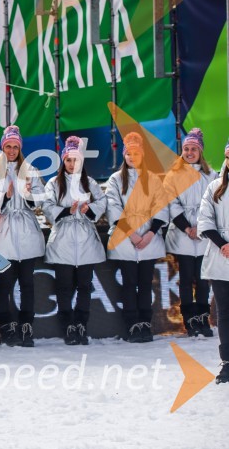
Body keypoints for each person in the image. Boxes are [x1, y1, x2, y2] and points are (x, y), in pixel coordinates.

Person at [0, 125, 45, 347]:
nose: (11, 150)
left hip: (26, 232)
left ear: (20, 148)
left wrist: (28, 196)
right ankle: (7, 328)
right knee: (5, 284)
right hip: (4, 234)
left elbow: (40, 199)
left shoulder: (31, 170)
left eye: (15, 146)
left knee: (28, 284)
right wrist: (6, 196)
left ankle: (27, 327)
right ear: (2, 146)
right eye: (8, 146)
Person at [42, 136, 107, 345]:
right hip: (63, 240)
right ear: (63, 161)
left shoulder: (90, 182)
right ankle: (67, 326)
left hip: (86, 240)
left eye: (76, 160)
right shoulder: (54, 183)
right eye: (68, 160)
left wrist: (91, 210)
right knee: (64, 287)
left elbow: (102, 200)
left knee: (85, 287)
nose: (72, 164)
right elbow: (47, 206)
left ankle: (81, 325)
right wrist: (65, 211)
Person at [106, 131, 169, 343]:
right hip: (126, 239)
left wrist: (150, 233)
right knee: (128, 283)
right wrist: (132, 235)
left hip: (148, 239)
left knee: (145, 284)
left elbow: (161, 207)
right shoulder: (115, 180)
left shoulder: (152, 179)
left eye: (136, 154)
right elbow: (113, 208)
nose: (132, 158)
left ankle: (144, 323)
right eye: (128, 154)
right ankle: (132, 324)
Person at [165, 128, 217, 337]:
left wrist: (202, 228)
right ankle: (190, 320)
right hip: (183, 236)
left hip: (204, 235)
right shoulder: (174, 175)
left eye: (193, 149)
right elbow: (171, 204)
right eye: (186, 149)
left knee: (203, 279)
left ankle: (203, 318)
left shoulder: (211, 175)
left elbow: (215, 203)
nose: (189, 152)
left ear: (200, 151)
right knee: (186, 278)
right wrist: (187, 228)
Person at [196, 138, 229, 384]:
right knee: (224, 313)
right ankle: (227, 362)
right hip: (221, 259)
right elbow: (205, 221)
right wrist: (223, 244)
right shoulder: (214, 186)